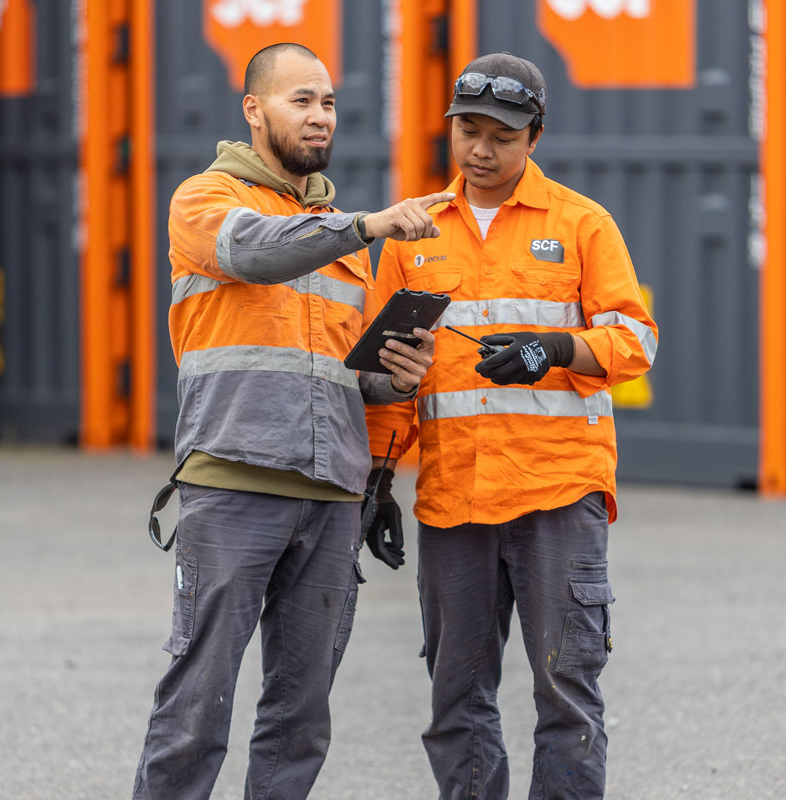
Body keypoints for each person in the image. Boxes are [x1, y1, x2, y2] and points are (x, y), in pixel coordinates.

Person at [132, 42, 454, 800]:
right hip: (234, 485)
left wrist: (387, 378)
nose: (319, 116)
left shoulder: (340, 234)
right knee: (195, 709)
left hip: (331, 495)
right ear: (254, 110)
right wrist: (366, 226)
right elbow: (255, 255)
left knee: (301, 716)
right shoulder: (205, 201)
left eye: (329, 102)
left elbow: (334, 370)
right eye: (300, 99)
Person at [363, 52, 658, 799]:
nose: (482, 149)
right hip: (455, 499)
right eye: (468, 130)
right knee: (455, 703)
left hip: (558, 495)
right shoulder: (413, 231)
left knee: (567, 696)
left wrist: (557, 349)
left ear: (536, 136)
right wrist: (376, 478)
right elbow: (391, 370)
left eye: (502, 133)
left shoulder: (582, 224)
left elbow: (638, 340)